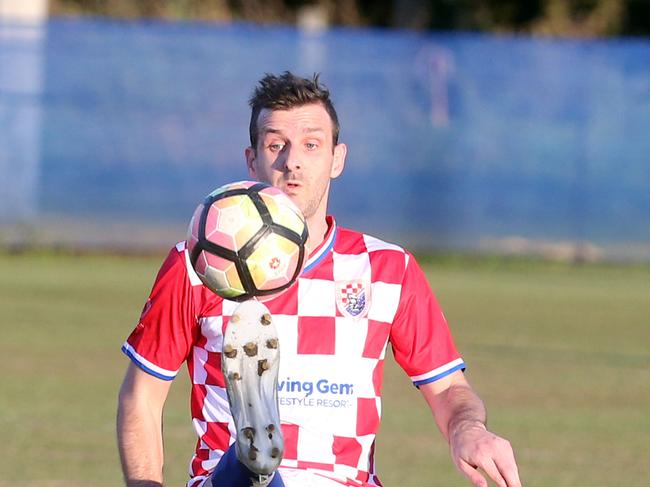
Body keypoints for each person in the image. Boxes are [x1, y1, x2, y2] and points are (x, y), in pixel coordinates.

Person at [117, 71, 522, 487]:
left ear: (337, 158)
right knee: (253, 478)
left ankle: (253, 458)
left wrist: (468, 429)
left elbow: (450, 389)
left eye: (311, 145)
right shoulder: (200, 262)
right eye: (275, 144)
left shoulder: (387, 268)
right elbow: (142, 397)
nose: (291, 160)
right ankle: (251, 461)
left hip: (343, 480)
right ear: (251, 159)